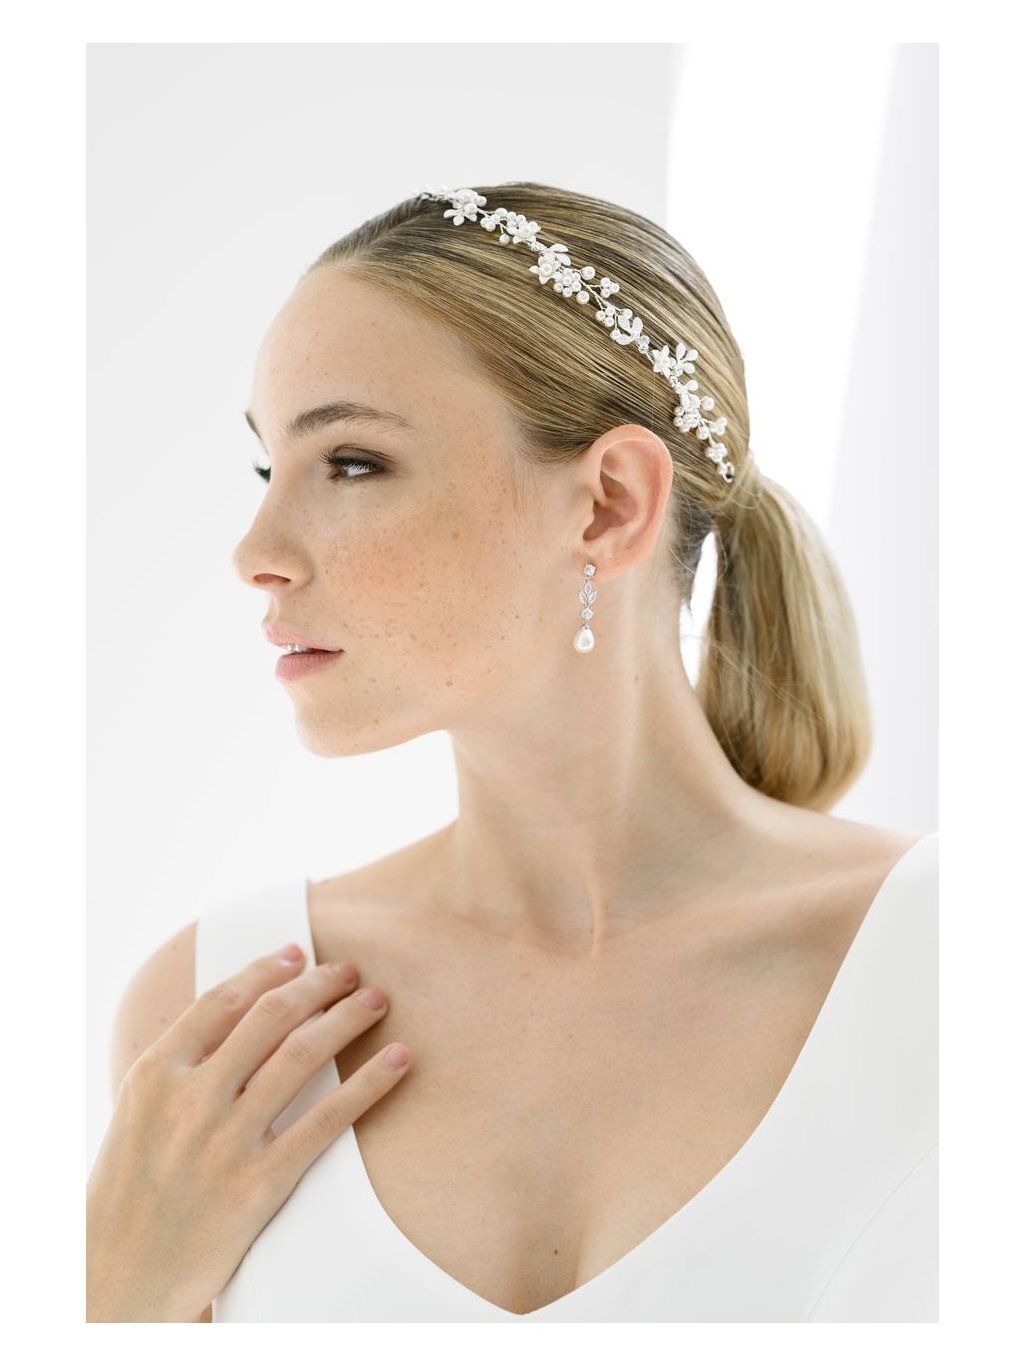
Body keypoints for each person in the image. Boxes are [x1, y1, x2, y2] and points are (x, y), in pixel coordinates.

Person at [87, 182, 938, 1322]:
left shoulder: (956, 962)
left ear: (608, 505)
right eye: (266, 470)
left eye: (351, 462)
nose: (256, 551)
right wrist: (116, 1296)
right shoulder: (222, 1015)